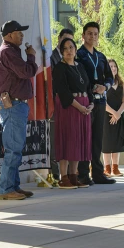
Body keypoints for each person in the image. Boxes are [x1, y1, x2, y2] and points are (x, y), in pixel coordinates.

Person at [0, 20, 38, 200]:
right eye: (19, 32)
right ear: (10, 35)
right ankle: (5, 189)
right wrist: (32, 57)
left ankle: (14, 186)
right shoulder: (8, 52)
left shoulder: (11, 51)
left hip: (15, 104)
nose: (22, 35)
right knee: (13, 148)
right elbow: (26, 72)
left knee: (16, 147)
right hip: (12, 105)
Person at [76, 22, 116, 185]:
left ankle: (98, 173)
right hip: (86, 102)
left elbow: (110, 77)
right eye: (89, 33)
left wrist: (104, 87)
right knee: (85, 137)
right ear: (83, 35)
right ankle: (83, 173)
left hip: (100, 102)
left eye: (95, 34)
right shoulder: (78, 54)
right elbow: (78, 76)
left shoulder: (100, 57)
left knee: (98, 138)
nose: (92, 36)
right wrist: (91, 87)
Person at [52, 38, 94, 189]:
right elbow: (63, 92)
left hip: (83, 106)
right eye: (65, 48)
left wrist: (91, 104)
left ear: (76, 49)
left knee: (78, 141)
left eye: (71, 47)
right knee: (67, 139)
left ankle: (73, 175)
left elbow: (88, 87)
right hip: (69, 107)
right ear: (62, 52)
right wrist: (80, 107)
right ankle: (63, 177)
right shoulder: (59, 68)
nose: (69, 51)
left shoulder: (80, 66)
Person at [49, 28, 75, 182]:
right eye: (64, 40)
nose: (67, 45)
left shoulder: (74, 60)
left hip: (72, 104)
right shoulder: (50, 57)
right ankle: (55, 173)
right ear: (58, 39)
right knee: (55, 138)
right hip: (55, 102)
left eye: (70, 42)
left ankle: (71, 174)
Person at [102, 59, 124, 176]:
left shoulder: (121, 83)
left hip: (119, 116)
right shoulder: (103, 83)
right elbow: (103, 102)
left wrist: (118, 114)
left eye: (114, 66)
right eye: (110, 66)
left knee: (117, 142)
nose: (113, 68)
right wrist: (113, 113)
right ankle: (107, 168)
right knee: (106, 142)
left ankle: (115, 167)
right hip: (106, 116)